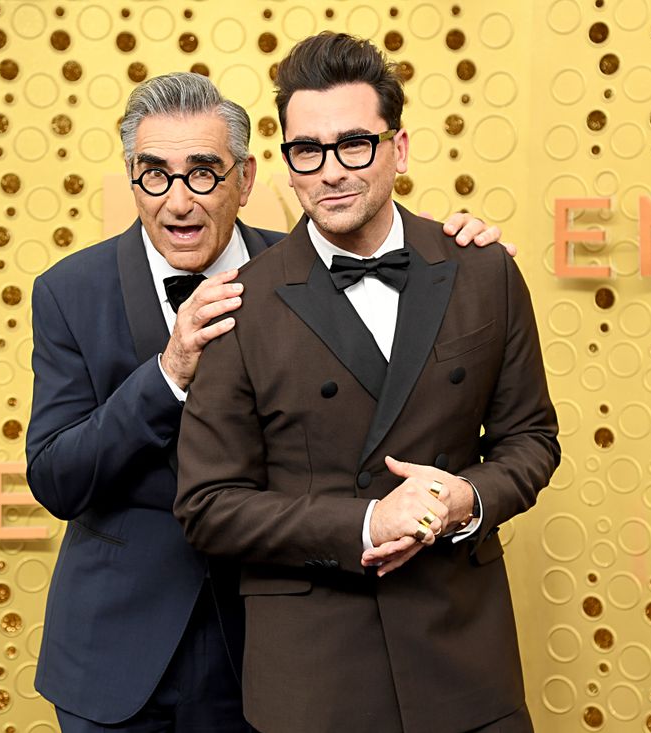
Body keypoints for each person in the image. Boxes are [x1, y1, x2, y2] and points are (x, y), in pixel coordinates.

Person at [26, 71, 509, 732]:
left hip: (276, 650)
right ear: (132, 178)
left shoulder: (312, 272)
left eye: (202, 173)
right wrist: (167, 373)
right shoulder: (68, 291)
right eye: (154, 175)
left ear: (246, 178)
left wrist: (465, 261)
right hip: (115, 659)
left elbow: (392, 405)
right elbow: (57, 478)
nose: (177, 201)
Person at [175, 34, 560, 733]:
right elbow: (206, 504)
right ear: (287, 165)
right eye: (308, 151)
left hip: (465, 662)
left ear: (399, 149)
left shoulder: (483, 271)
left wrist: (466, 497)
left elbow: (531, 440)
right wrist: (363, 521)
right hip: (313, 680)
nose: (331, 171)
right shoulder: (240, 303)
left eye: (355, 143)